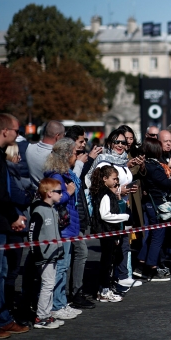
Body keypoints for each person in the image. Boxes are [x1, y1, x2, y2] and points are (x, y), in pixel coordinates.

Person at [85, 128, 141, 289]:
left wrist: (126, 190)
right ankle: (105, 286)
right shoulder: (103, 160)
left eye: (123, 142)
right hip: (108, 208)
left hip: (123, 205)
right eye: (117, 142)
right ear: (110, 142)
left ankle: (122, 275)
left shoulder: (123, 161)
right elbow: (95, 185)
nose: (120, 145)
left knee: (124, 243)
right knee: (110, 249)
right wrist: (119, 191)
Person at [0, 113, 30, 338]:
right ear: (5, 131)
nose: (18, 135)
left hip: (2, 223)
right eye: (16, 131)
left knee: (3, 271)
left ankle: (3, 318)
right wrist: (13, 217)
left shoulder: (0, 155)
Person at [43, 137, 83, 320]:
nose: (77, 156)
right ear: (66, 155)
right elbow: (57, 198)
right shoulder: (57, 176)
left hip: (68, 224)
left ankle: (61, 302)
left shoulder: (62, 174)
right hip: (63, 225)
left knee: (63, 265)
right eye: (75, 153)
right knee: (61, 266)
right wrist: (70, 192)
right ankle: (57, 305)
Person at [64, 125, 99, 309]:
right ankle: (74, 295)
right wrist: (85, 162)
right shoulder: (67, 161)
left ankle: (74, 292)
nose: (84, 144)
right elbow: (74, 184)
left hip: (80, 213)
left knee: (75, 254)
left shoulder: (79, 159)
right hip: (69, 216)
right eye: (81, 141)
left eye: (84, 140)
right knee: (78, 253)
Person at [136, 138, 171, 281]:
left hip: (151, 203)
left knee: (152, 236)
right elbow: (167, 183)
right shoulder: (152, 166)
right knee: (157, 237)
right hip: (157, 204)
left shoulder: (150, 165)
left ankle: (141, 265)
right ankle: (151, 268)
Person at [29, 178, 65, 329]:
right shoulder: (39, 211)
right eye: (59, 192)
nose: (61, 194)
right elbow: (32, 235)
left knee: (49, 284)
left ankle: (47, 314)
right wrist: (37, 255)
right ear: (49, 193)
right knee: (47, 285)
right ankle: (41, 317)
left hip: (53, 254)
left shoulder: (53, 210)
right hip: (44, 256)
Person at [89, 166, 128, 303]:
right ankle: (104, 290)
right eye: (114, 178)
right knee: (107, 262)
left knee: (109, 260)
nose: (116, 181)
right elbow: (105, 215)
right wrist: (124, 217)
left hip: (109, 231)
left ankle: (104, 289)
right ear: (105, 179)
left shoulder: (105, 193)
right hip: (107, 231)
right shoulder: (105, 194)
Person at [4, 144, 35, 317]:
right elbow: (20, 197)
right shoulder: (9, 173)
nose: (20, 159)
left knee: (9, 270)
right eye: (17, 155)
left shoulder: (14, 173)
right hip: (12, 227)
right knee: (11, 270)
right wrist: (28, 195)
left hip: (14, 225)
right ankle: (7, 308)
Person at [26, 120, 65, 187]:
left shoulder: (29, 148)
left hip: (35, 194)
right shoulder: (56, 156)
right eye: (63, 135)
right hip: (52, 194)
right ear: (57, 136)